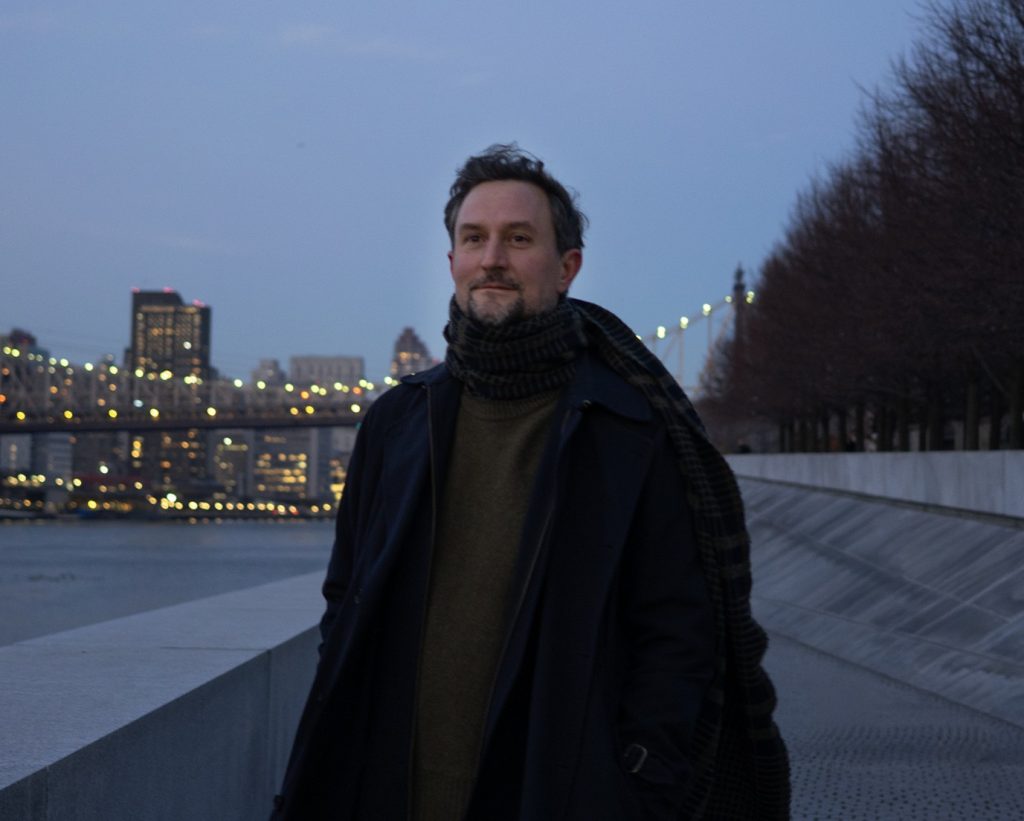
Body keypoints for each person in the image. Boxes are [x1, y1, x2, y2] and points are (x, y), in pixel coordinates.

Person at [271, 145, 789, 820]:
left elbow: (676, 632)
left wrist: (638, 776)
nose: (492, 258)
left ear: (567, 267)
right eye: (474, 238)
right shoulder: (395, 424)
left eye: (519, 239)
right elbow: (346, 599)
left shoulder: (631, 432)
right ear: (451, 261)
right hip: (388, 790)